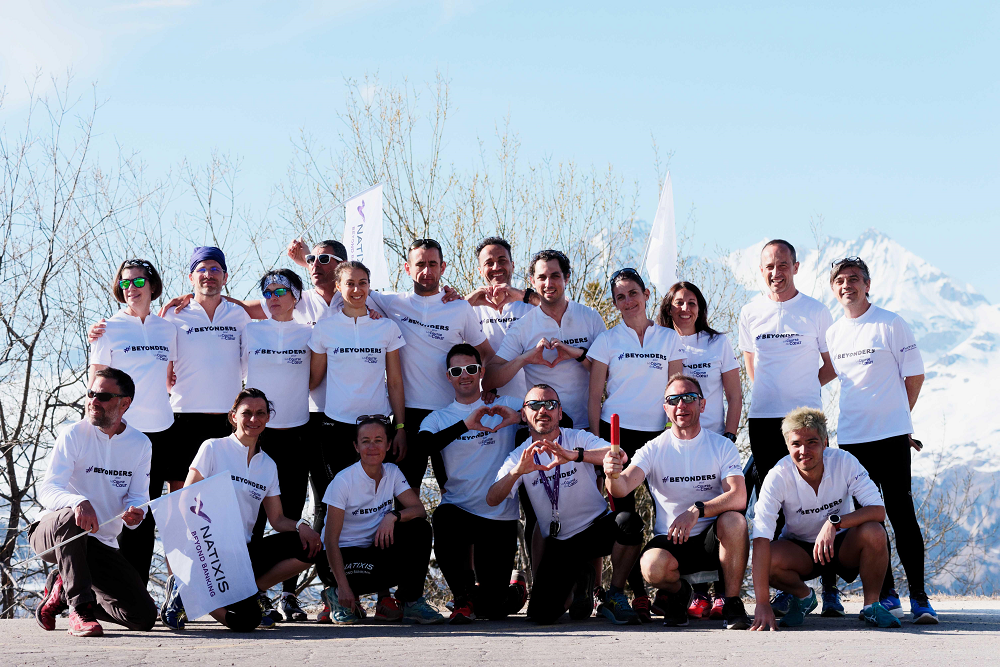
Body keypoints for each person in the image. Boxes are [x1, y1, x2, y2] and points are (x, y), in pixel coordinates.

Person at [825, 256, 937, 623]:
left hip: (890, 437)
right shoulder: (833, 333)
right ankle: (887, 594)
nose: (847, 286)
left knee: (902, 514)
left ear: (867, 284)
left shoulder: (890, 323)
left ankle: (920, 598)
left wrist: (899, 418)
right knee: (866, 520)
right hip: (853, 440)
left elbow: (915, 376)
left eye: (854, 279)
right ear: (833, 289)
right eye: (840, 280)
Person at [160, 388, 324, 632]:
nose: (254, 419)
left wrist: (303, 526)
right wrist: (206, 542)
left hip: (242, 556)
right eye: (247, 413)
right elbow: (186, 499)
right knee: (245, 622)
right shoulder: (213, 448)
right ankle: (184, 589)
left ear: (268, 418)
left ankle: (249, 591)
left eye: (260, 413)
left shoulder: (268, 465)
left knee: (309, 548)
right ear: (233, 416)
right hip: (206, 552)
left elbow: (277, 520)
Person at [737, 239, 839, 614]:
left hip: (806, 420)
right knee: (772, 500)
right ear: (760, 270)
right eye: (768, 266)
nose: (775, 272)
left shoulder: (815, 311)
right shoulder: (750, 311)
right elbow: (751, 366)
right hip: (764, 420)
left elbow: (832, 363)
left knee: (822, 494)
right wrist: (771, 391)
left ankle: (830, 591)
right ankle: (786, 586)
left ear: (795, 267)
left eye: (783, 265)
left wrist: (805, 389)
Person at [486, 385, 643, 625]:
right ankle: (579, 582)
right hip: (561, 544)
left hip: (596, 528)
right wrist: (517, 472)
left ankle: (614, 594)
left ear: (560, 413)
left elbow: (618, 454)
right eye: (535, 406)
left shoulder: (577, 437)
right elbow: (492, 498)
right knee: (541, 615)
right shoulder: (519, 455)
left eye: (550, 404)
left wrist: (576, 455)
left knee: (629, 522)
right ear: (524, 414)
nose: (543, 410)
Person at [603, 374, 751, 629]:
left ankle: (732, 602)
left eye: (689, 398)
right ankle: (681, 593)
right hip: (671, 541)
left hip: (711, 542)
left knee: (735, 520)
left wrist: (698, 510)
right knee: (651, 566)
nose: (681, 405)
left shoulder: (721, 446)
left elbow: (738, 496)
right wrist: (611, 473)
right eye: (674, 399)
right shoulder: (653, 448)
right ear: (665, 408)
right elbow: (621, 487)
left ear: (702, 405)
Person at [586, 267, 686, 619]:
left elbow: (678, 389)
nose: (627, 301)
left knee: (667, 513)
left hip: (659, 437)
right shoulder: (607, 340)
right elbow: (595, 395)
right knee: (625, 519)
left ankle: (668, 590)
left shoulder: (668, 337)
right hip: (618, 437)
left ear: (646, 295)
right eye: (620, 297)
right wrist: (598, 446)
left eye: (632, 293)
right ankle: (627, 593)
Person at [31, 368, 156, 637]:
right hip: (52, 536)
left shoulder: (140, 444)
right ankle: (80, 609)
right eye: (90, 393)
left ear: (125, 403)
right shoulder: (73, 434)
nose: (93, 401)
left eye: (103, 396)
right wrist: (79, 501)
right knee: (70, 517)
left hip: (99, 544)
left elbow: (138, 498)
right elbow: (48, 489)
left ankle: (62, 589)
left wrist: (136, 514)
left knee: (142, 617)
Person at [749, 408, 900, 630]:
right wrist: (761, 604)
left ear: (825, 442)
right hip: (800, 551)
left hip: (841, 545)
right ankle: (804, 597)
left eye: (812, 442)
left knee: (875, 532)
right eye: (796, 444)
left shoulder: (844, 461)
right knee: (767, 557)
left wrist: (835, 522)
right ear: (787, 446)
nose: (804, 450)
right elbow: (761, 537)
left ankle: (871, 606)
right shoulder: (777, 475)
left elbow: (878, 510)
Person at [366, 238, 494, 490]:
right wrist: (309, 259)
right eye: (420, 264)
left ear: (443, 267)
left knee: (457, 490)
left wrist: (484, 387)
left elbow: (487, 354)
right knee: (405, 493)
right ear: (407, 268)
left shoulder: (459, 308)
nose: (426, 271)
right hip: (408, 416)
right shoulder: (391, 303)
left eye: (433, 264)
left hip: (451, 414)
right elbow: (349, 286)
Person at [419, 344, 527, 624]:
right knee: (442, 516)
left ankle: (514, 591)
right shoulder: (438, 418)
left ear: (481, 372)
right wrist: (465, 426)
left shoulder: (506, 405)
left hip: (500, 517)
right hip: (460, 512)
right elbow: (422, 448)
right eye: (457, 371)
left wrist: (520, 418)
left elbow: (559, 418)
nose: (464, 375)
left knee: (493, 611)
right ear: (448, 377)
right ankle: (462, 598)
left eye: (470, 369)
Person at [87, 259, 177, 584]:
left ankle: (135, 594)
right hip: (125, 435)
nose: (131, 289)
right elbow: (96, 387)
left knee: (144, 516)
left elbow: (171, 377)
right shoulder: (107, 328)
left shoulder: (168, 328)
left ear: (152, 286)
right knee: (118, 516)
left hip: (164, 432)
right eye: (125, 283)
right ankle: (112, 593)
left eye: (138, 282)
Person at [657, 280, 743, 619]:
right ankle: (695, 594)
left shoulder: (717, 342)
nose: (685, 308)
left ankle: (724, 593)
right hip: (676, 442)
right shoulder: (661, 340)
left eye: (692, 302)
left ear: (700, 307)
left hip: (715, 443)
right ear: (668, 307)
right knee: (680, 511)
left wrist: (731, 434)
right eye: (678, 302)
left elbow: (735, 394)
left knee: (722, 514)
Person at [321, 416, 445, 625]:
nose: (372, 447)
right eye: (365, 441)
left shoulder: (393, 472)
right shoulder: (343, 481)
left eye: (378, 440)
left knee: (419, 529)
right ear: (356, 446)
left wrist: (393, 516)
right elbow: (330, 540)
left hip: (373, 551)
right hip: (341, 557)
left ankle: (411, 601)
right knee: (368, 575)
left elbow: (418, 510)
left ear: (388, 445)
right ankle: (335, 593)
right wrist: (343, 586)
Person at [243, 269, 315, 621]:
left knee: (291, 515)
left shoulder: (311, 333)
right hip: (259, 434)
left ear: (297, 295)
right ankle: (249, 592)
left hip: (297, 435)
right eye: (267, 291)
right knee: (254, 518)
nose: (273, 297)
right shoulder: (250, 329)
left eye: (281, 290)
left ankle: (289, 595)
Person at [485, 249, 606, 428]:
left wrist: (578, 355)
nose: (548, 283)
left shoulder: (590, 317)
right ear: (532, 281)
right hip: (542, 430)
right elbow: (489, 379)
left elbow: (608, 373)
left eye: (555, 276)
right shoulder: (522, 326)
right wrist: (525, 359)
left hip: (586, 426)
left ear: (566, 278)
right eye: (542, 277)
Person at [309, 260, 406, 479]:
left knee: (377, 496)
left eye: (362, 283)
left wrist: (400, 427)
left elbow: (395, 383)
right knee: (338, 502)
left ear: (369, 287)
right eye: (350, 283)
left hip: (378, 427)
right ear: (338, 286)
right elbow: (313, 380)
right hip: (336, 426)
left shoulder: (386, 327)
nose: (356, 289)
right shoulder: (325, 329)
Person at [465, 237, 536, 398]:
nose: (496, 267)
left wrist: (522, 295)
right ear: (480, 271)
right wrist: (469, 299)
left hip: (532, 403)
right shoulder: (470, 310)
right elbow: (444, 321)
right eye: (489, 263)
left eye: (502, 260)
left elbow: (559, 309)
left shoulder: (530, 306)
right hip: (488, 401)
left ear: (512, 265)